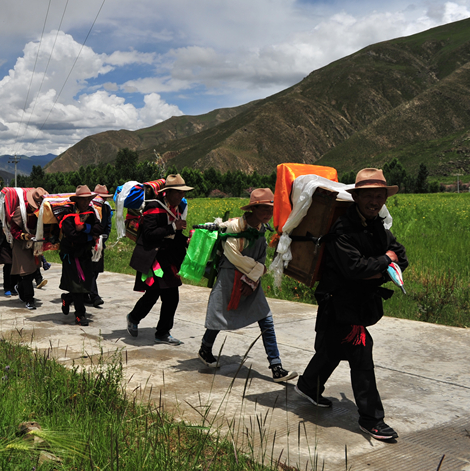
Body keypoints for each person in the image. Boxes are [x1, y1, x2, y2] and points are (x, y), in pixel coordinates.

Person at [295, 168, 408, 441]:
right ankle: (372, 420)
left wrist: (379, 265)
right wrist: (385, 262)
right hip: (341, 304)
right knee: (361, 353)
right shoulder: (342, 230)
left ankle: (309, 385)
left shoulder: (377, 226)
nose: (375, 201)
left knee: (332, 349)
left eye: (380, 196)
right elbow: (354, 268)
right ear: (357, 197)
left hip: (358, 302)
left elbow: (401, 256)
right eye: (369, 196)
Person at [197, 188, 298, 383]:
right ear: (252, 209)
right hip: (230, 275)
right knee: (221, 315)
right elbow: (234, 256)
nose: (268, 214)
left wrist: (253, 279)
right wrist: (260, 270)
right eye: (263, 209)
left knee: (265, 318)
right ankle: (205, 348)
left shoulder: (262, 229)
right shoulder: (234, 227)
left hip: (252, 277)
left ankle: (276, 367)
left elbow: (261, 256)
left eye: (270, 210)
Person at [126, 174, 191, 345]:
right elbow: (148, 235)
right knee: (156, 294)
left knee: (168, 296)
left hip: (168, 258)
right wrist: (172, 227)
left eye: (182, 193)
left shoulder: (175, 209)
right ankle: (138, 319)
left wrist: (186, 240)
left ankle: (160, 331)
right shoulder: (153, 208)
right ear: (167, 192)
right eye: (178, 192)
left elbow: (174, 236)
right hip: (154, 259)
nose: (181, 196)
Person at [59, 185, 99, 326]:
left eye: (88, 199)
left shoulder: (92, 213)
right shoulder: (68, 215)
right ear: (77, 200)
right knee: (77, 284)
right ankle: (80, 314)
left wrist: (86, 228)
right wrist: (90, 237)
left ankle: (67, 298)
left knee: (86, 284)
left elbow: (98, 228)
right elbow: (72, 236)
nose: (86, 202)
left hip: (85, 254)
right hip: (71, 254)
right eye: (83, 199)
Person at [9, 187, 47, 309]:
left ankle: (20, 288)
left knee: (32, 271)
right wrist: (25, 236)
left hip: (34, 244)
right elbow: (13, 230)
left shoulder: (42, 211)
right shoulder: (21, 210)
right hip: (21, 245)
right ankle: (29, 299)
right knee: (26, 272)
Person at [87, 184, 113, 307]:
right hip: (91, 241)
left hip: (99, 242)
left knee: (95, 269)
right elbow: (107, 225)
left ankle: (87, 292)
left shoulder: (104, 208)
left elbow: (108, 224)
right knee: (92, 270)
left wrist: (103, 237)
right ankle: (94, 295)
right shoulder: (92, 207)